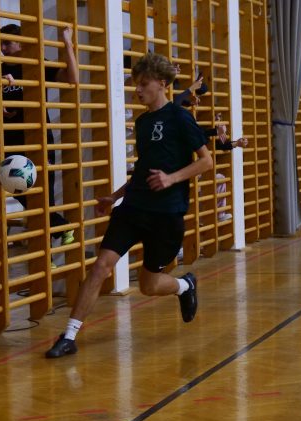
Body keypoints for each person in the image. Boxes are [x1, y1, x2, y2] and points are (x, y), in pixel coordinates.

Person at [46, 52, 213, 358]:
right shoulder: (142, 122)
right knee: (100, 266)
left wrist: (171, 178)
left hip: (167, 214)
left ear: (161, 83)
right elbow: (143, 169)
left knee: (148, 286)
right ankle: (68, 336)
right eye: (136, 84)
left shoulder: (180, 117)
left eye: (143, 84)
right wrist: (114, 196)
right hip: (134, 208)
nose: (137, 90)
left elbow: (206, 161)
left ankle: (185, 286)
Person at [0, 24, 78, 245]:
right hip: (10, 140)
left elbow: (72, 78)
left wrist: (67, 43)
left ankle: (49, 250)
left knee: (45, 195)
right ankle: (61, 225)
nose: (3, 48)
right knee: (14, 186)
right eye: (1, 44)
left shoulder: (36, 64)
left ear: (21, 43)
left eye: (7, 43)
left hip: (38, 138)